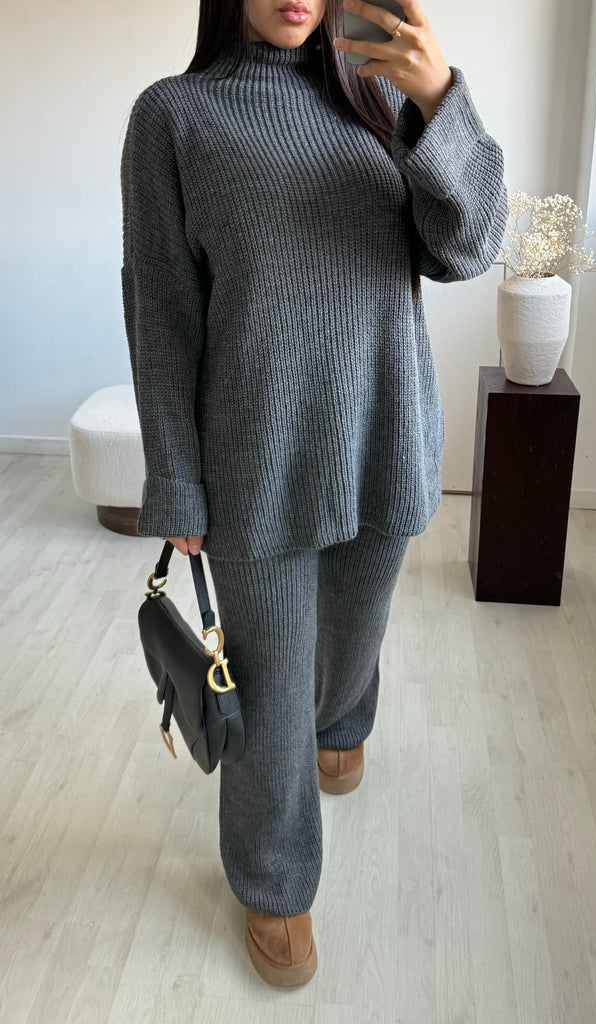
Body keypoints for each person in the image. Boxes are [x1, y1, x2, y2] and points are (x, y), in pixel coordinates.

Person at [120, 0, 508, 988]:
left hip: (384, 435)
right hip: (254, 461)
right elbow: (162, 310)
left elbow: (468, 249)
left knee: (350, 644)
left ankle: (342, 722)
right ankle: (274, 879)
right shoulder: (174, 116)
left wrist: (440, 102)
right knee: (270, 691)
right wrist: (175, 479)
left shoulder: (384, 96)